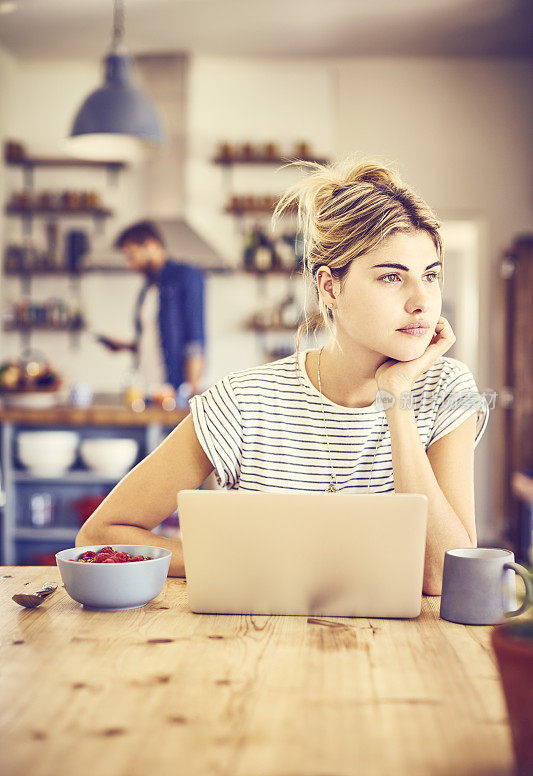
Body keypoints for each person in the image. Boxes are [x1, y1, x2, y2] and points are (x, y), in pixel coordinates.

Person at [77, 156, 490, 594]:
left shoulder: (447, 389)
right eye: (392, 277)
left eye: (431, 276)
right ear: (330, 287)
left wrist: (398, 401)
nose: (422, 301)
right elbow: (100, 534)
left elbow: (443, 575)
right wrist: (249, 563)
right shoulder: (244, 401)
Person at [98, 220, 206, 399]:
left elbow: (195, 338)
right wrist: (127, 346)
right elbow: (158, 339)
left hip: (173, 391)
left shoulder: (187, 276)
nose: (130, 265)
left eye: (132, 256)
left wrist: (193, 395)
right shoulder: (148, 288)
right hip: (145, 389)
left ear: (151, 245)